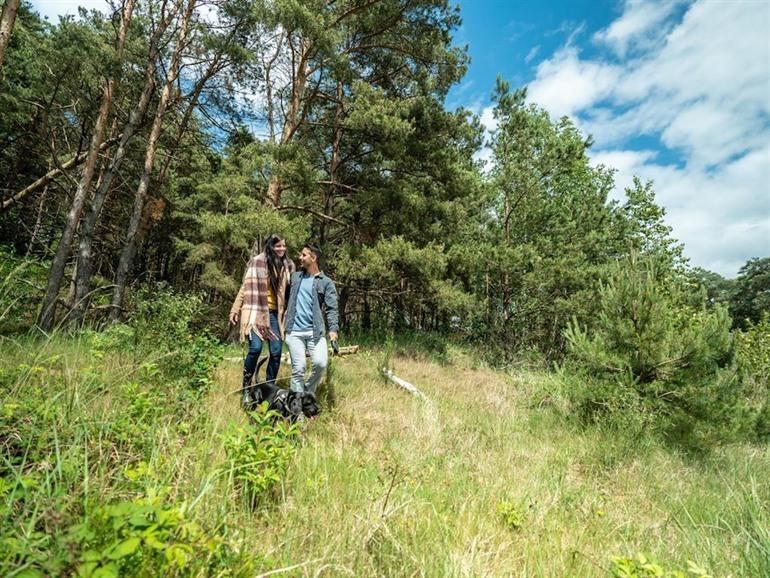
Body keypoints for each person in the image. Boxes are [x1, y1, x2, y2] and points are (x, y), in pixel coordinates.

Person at [229, 234, 295, 409]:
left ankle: (269, 389)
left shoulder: (288, 266)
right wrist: (235, 309)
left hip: (274, 315)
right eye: (278, 246)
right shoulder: (256, 262)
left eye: (284, 246)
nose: (282, 249)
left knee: (275, 352)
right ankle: (247, 387)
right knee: (256, 348)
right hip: (255, 313)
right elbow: (245, 287)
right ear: (270, 246)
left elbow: (293, 290)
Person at [284, 243, 339, 396]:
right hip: (294, 331)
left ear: (313, 258)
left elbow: (332, 308)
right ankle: (296, 408)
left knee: (321, 363)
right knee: (299, 368)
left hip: (315, 331)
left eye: (303, 255)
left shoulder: (326, 282)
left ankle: (305, 393)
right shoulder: (294, 277)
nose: (299, 258)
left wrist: (333, 329)